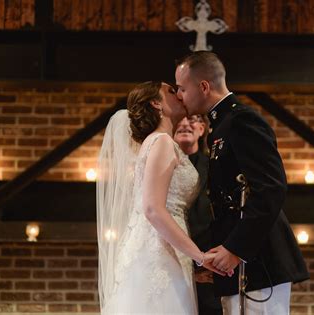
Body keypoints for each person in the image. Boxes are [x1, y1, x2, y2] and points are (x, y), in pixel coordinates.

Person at [175, 52, 310, 314]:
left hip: (259, 263)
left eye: (182, 88)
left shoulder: (241, 121)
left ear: (203, 86)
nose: (180, 95)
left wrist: (236, 249)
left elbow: (271, 188)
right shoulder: (221, 125)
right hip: (237, 264)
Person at [96, 81, 231, 314]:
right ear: (156, 104)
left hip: (166, 247)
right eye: (171, 91)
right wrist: (199, 256)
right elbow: (153, 209)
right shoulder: (161, 142)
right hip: (157, 253)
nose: (179, 94)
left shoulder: (159, 142)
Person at [174, 115, 223, 315]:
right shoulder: (160, 166)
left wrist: (202, 262)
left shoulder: (214, 166)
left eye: (193, 120)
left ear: (202, 129)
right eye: (180, 120)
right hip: (174, 259)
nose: (185, 124)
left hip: (208, 263)